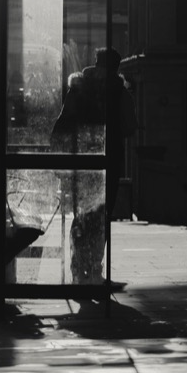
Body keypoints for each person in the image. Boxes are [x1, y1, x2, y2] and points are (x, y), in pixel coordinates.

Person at [52, 47, 137, 284]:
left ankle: (78, 269)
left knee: (82, 216)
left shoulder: (77, 88)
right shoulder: (120, 93)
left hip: (80, 162)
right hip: (109, 161)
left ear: (95, 64)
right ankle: (95, 270)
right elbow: (130, 126)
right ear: (116, 68)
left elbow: (63, 122)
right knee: (101, 217)